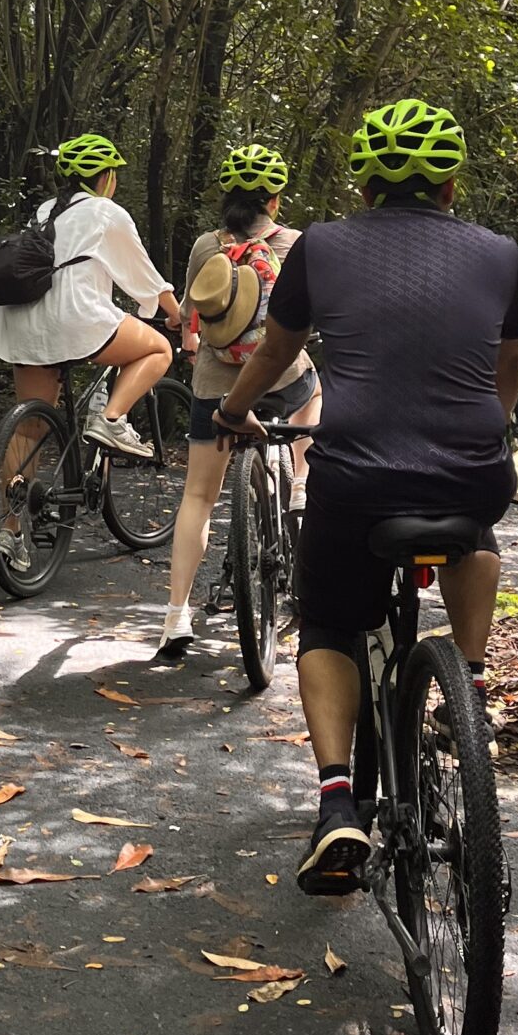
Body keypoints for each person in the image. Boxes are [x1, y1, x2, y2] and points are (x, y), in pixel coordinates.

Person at [214, 99, 518, 895]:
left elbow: (277, 351)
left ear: (363, 184)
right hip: (471, 469)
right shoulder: (501, 253)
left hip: (356, 476)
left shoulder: (321, 247)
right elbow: (506, 377)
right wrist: (479, 439)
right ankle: (473, 679)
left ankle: (335, 804)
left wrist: (231, 412)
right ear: (452, 184)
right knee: (475, 531)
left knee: (327, 618)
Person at [154, 143, 320, 664]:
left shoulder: (206, 244)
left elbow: (192, 316)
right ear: (274, 199)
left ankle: (175, 615)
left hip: (214, 386)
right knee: (315, 386)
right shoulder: (295, 243)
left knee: (199, 497)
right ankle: (299, 480)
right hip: (281, 378)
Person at [0, 133, 180, 470]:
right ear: (106, 178)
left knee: (28, 431)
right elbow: (145, 278)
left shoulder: (45, 210)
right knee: (158, 349)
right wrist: (180, 318)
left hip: (20, 321)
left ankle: (9, 522)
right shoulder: (107, 212)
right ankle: (111, 419)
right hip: (75, 320)